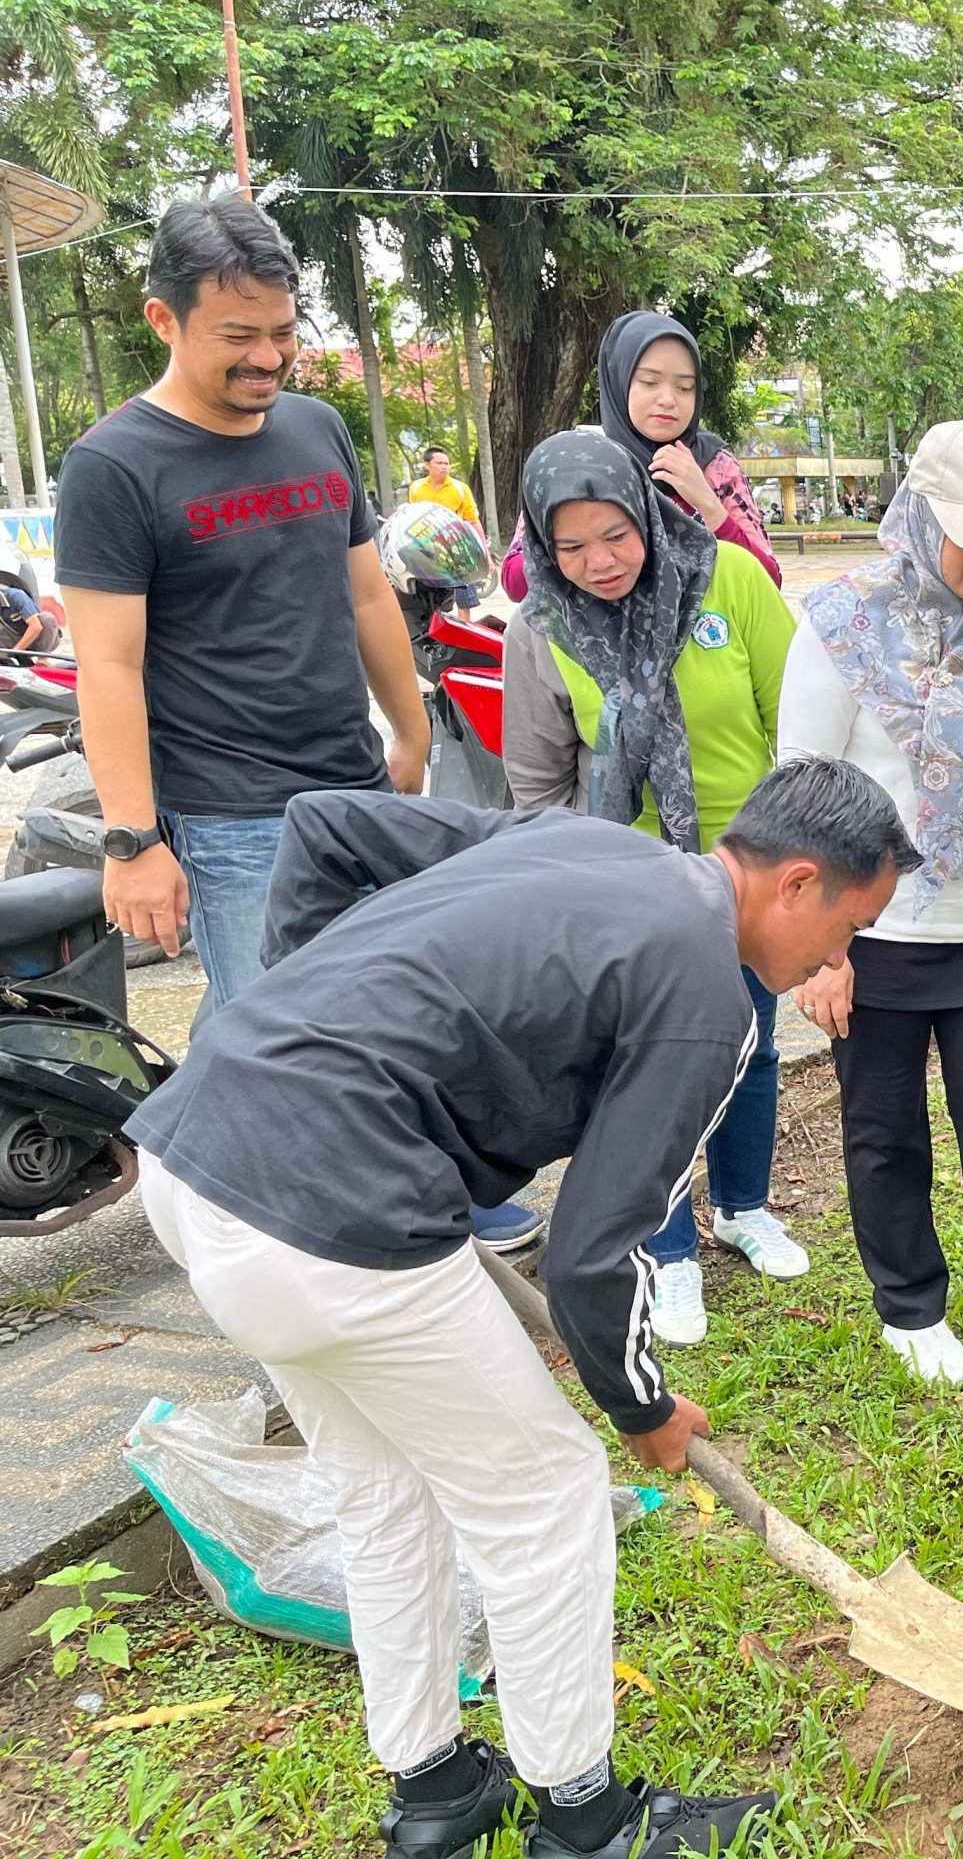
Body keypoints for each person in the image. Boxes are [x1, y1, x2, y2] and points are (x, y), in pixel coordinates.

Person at [131, 762, 914, 1859]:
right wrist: (642, 1412)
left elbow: (324, 827)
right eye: (846, 930)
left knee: (384, 1485)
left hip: (194, 1159)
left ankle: (436, 1790)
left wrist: (298, 1032)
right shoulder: (704, 1000)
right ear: (795, 883)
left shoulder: (588, 843)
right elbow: (597, 1254)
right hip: (328, 1220)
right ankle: (586, 1822)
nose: (837, 963)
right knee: (545, 1495)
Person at [49, 197, 432, 1004]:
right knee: (279, 1050)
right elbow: (107, 665)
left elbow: (366, 595)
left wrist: (411, 730)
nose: (269, 356)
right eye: (237, 336)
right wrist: (131, 840)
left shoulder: (316, 428)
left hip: (357, 788)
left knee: (386, 1022)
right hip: (234, 820)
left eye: (285, 332)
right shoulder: (113, 467)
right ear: (164, 320)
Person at [786, 420, 963, 1393]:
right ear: (917, 514)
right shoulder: (841, 625)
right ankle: (909, 1308)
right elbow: (804, 785)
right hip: (872, 932)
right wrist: (822, 953)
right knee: (882, 1127)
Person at [502, 431, 802, 1345]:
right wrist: (575, 892)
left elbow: (797, 725)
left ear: (644, 512)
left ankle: (744, 1207)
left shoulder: (730, 583)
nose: (599, 562)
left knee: (749, 1047)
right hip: (630, 893)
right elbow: (538, 783)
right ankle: (666, 1252)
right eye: (571, 546)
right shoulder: (542, 630)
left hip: (750, 875)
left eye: (615, 535)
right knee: (645, 1075)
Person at [500, 311, 782, 602]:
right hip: (596, 641)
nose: (668, 399)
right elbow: (515, 582)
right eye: (649, 382)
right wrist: (583, 540)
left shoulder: (716, 467)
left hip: (706, 638)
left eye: (685, 387)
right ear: (618, 381)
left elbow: (768, 582)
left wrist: (708, 505)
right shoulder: (575, 463)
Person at [411, 445, 481, 527]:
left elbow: (473, 521)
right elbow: (413, 517)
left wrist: (482, 540)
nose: (444, 467)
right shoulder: (416, 487)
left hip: (453, 536)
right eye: (439, 463)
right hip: (424, 537)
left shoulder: (461, 488)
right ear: (427, 465)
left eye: (446, 464)